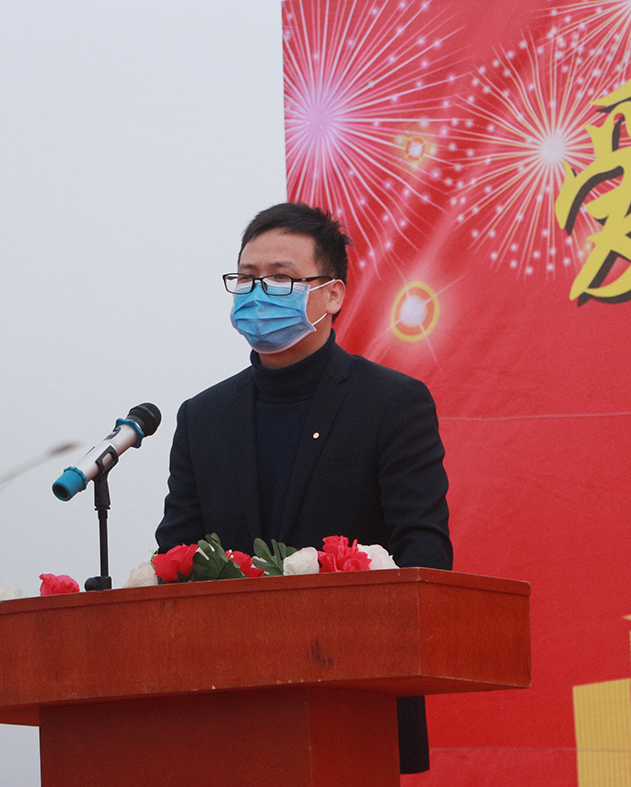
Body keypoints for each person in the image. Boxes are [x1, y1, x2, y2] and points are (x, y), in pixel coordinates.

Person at [154, 202, 452, 774]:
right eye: (246, 278)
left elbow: (424, 552)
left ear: (333, 294)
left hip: (354, 699)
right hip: (228, 707)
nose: (258, 293)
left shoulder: (391, 403)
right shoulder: (203, 417)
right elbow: (177, 557)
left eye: (280, 278)